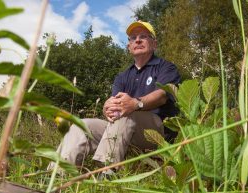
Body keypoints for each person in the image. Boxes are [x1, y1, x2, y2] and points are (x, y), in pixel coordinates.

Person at [56, 20, 181, 169]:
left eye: (143, 36)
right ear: (129, 47)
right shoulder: (122, 76)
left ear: (154, 43)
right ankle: (58, 173)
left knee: (126, 114)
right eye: (133, 38)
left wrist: (135, 103)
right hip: (124, 129)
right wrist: (106, 108)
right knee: (81, 125)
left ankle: (106, 172)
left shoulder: (166, 67)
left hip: (157, 132)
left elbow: (162, 95)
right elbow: (113, 105)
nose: (138, 40)